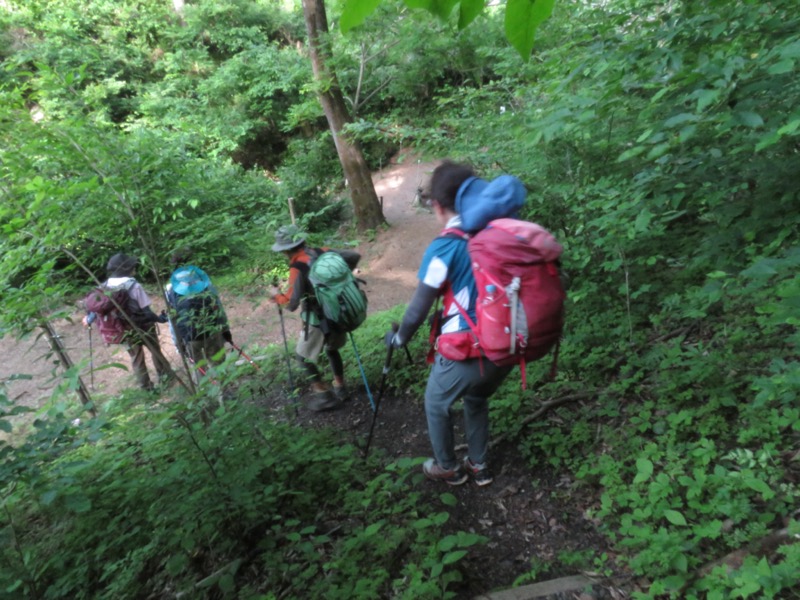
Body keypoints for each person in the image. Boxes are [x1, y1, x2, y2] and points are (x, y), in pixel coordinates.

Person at [385, 160, 513, 487]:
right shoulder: (497, 234)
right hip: (506, 345)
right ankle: (479, 465)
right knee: (476, 398)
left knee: (436, 402)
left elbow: (418, 308)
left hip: (468, 347)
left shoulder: (446, 246)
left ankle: (447, 467)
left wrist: (399, 340)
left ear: (438, 205)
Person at [269, 224, 360, 412]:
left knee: (302, 358)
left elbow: (291, 304)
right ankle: (340, 387)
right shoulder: (323, 252)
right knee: (331, 349)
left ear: (285, 250)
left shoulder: (298, 267)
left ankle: (324, 396)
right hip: (339, 310)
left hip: (319, 318)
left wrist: (276, 295)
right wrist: (340, 279)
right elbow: (354, 256)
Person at [84, 253, 172, 391]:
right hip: (143, 326)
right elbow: (146, 312)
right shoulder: (133, 285)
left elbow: (96, 312)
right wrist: (160, 319)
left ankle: (147, 388)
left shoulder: (104, 286)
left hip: (123, 329)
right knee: (155, 351)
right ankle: (166, 378)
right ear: (127, 268)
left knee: (137, 359)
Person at [165, 264, 232, 378]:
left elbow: (172, 321)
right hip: (212, 331)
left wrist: (178, 343)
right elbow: (218, 309)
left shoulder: (170, 290)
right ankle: (225, 392)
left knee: (198, 368)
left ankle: (204, 393)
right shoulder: (206, 285)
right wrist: (225, 330)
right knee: (218, 364)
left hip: (189, 336)